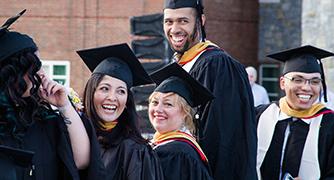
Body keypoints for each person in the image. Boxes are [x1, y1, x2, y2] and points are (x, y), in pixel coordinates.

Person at [162, 0, 257, 179]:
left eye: (183, 21)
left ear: (201, 21)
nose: (174, 29)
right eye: (169, 21)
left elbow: (224, 141)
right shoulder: (181, 64)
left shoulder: (217, 65)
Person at [0, 9, 91, 179]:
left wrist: (64, 106)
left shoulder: (43, 119)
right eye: (35, 67)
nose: (42, 74)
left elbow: (81, 161)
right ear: (13, 75)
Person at [77, 43, 164, 180]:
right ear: (91, 92)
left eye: (121, 91)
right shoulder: (72, 134)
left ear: (127, 102)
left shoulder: (134, 150)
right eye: (105, 88)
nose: (112, 98)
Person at [256, 45, 334, 179]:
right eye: (298, 80)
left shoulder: (330, 125)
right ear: (282, 83)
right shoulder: (260, 115)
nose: (306, 87)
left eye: (314, 81)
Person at [149, 62, 214, 180]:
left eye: (168, 104)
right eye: (155, 102)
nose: (158, 109)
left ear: (185, 113)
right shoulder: (161, 145)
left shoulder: (177, 154)